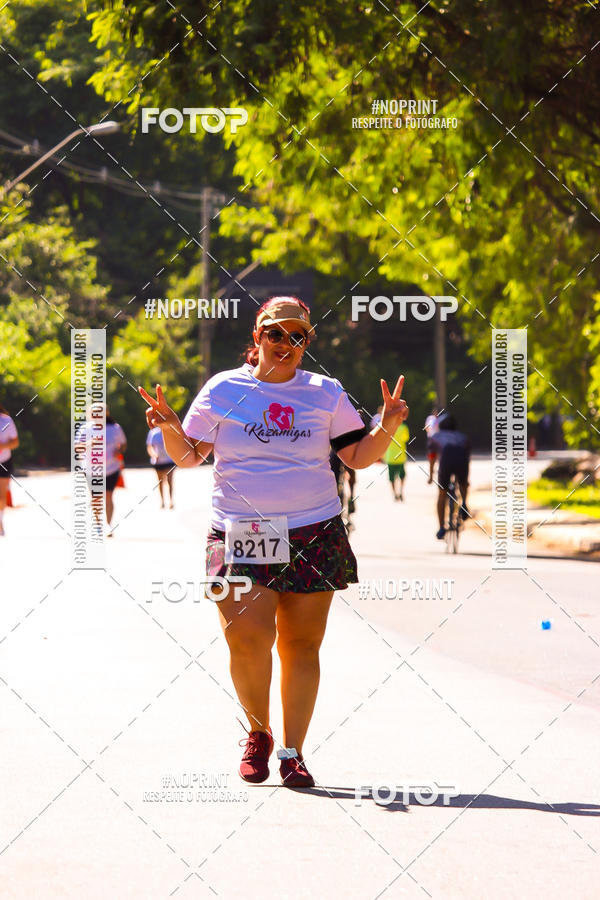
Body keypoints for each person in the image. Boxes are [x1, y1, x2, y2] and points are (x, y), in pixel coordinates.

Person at [139, 296, 409, 789]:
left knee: (302, 645)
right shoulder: (223, 389)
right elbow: (190, 457)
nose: (286, 343)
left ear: (307, 341)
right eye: (277, 333)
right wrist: (171, 430)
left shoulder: (324, 392)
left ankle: (293, 751)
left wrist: (386, 426)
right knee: (247, 639)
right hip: (243, 529)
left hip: (313, 527)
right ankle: (258, 733)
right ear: (258, 335)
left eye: (298, 335)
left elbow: (356, 456)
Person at [76, 404, 127, 536]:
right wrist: (89, 443)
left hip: (111, 468)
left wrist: (119, 450)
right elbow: (77, 448)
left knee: (109, 496)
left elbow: (123, 444)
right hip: (91, 470)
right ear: (89, 414)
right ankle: (99, 525)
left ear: (106, 413)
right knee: (96, 498)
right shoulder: (84, 429)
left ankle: (108, 525)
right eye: (94, 412)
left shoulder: (115, 428)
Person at [426, 412, 470, 539]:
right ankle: (465, 504)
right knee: (463, 484)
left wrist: (430, 475)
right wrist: (465, 481)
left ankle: (441, 528)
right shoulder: (463, 437)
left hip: (445, 464)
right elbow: (467, 458)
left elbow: (432, 457)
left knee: (442, 493)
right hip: (462, 463)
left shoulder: (435, 437)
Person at [0, 404, 19, 537]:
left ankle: (0, 520)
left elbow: (15, 442)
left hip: (4, 461)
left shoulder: (6, 420)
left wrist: (3, 445)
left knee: (1, 496)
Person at [146, 425, 175, 508]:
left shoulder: (170, 431)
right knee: (160, 482)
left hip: (169, 460)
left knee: (169, 481)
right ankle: (162, 501)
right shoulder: (153, 433)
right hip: (158, 462)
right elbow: (150, 446)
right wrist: (154, 455)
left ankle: (171, 501)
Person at [382, 421, 409, 501]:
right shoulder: (403, 427)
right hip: (401, 456)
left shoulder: (387, 428)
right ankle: (400, 491)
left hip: (390, 457)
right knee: (402, 476)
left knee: (392, 477)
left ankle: (394, 494)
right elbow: (405, 438)